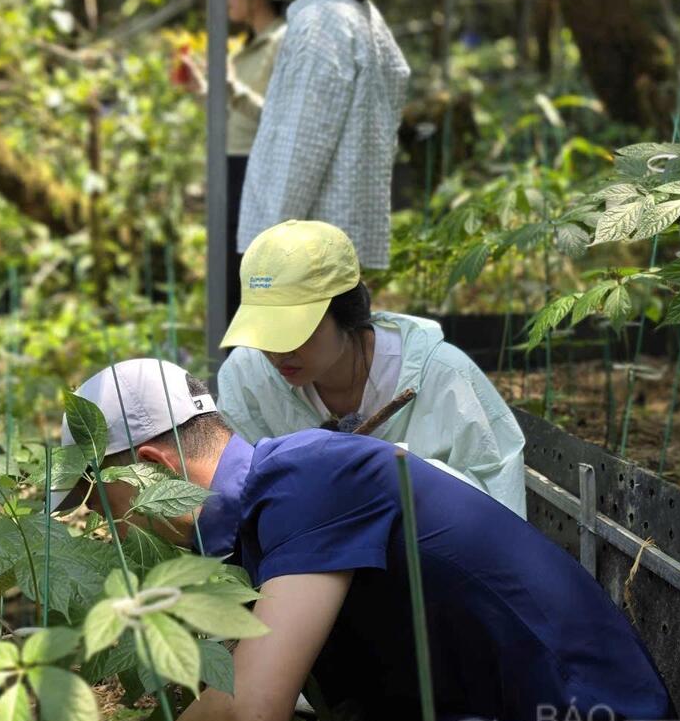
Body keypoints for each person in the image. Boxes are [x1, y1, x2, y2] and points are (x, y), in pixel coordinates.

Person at [42, 360, 680, 721]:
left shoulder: (308, 479)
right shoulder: (257, 534)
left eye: (103, 500)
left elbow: (250, 716)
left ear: (153, 467)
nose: (108, 525)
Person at [213, 220, 526, 525]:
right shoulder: (248, 378)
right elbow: (239, 491)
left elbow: (499, 500)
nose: (278, 352)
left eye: (295, 331)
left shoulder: (444, 376)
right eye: (265, 331)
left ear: (346, 312)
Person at [238, 0, 409, 272]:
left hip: (304, 252)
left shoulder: (319, 23)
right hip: (348, 240)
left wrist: (267, 248)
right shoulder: (367, 18)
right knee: (345, 334)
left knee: (295, 336)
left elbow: (299, 145)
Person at [184, 0, 297, 314]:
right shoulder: (248, 45)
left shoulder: (284, 42)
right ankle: (230, 369)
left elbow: (282, 122)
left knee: (246, 284)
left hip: (253, 173)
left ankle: (248, 368)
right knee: (227, 284)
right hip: (231, 170)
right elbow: (237, 114)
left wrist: (232, 89)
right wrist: (204, 90)